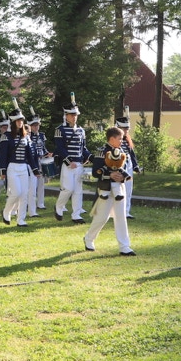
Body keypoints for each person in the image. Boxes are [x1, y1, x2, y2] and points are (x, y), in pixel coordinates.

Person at [83, 127, 136, 256]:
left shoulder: (121, 151)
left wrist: (122, 176)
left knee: (121, 217)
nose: (122, 141)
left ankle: (124, 246)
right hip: (106, 188)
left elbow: (123, 168)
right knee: (102, 217)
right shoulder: (101, 152)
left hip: (119, 188)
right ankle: (89, 238)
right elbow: (96, 172)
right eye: (119, 139)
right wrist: (110, 175)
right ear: (112, 139)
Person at [0, 103, 41, 227]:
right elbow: (3, 155)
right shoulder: (6, 136)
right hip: (12, 167)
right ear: (13, 122)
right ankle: (6, 211)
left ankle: (21, 219)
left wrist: (35, 169)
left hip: (23, 168)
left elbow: (30, 155)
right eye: (18, 120)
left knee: (24, 195)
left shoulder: (25, 137)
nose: (20, 122)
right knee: (16, 193)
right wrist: (3, 171)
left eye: (21, 120)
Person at [54, 94, 93, 224]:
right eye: (71, 115)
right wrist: (68, 161)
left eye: (75, 115)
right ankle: (59, 207)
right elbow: (60, 148)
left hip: (79, 164)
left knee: (78, 191)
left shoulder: (81, 131)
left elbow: (83, 148)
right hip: (68, 164)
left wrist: (90, 157)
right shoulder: (60, 130)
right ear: (66, 115)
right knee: (68, 189)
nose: (74, 117)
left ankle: (76, 215)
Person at [115, 108, 141, 219]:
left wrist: (135, 166)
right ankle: (116, 212)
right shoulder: (114, 139)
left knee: (128, 189)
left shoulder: (127, 139)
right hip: (118, 165)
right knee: (117, 190)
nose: (126, 131)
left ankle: (126, 211)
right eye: (124, 128)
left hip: (128, 164)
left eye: (127, 129)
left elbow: (131, 153)